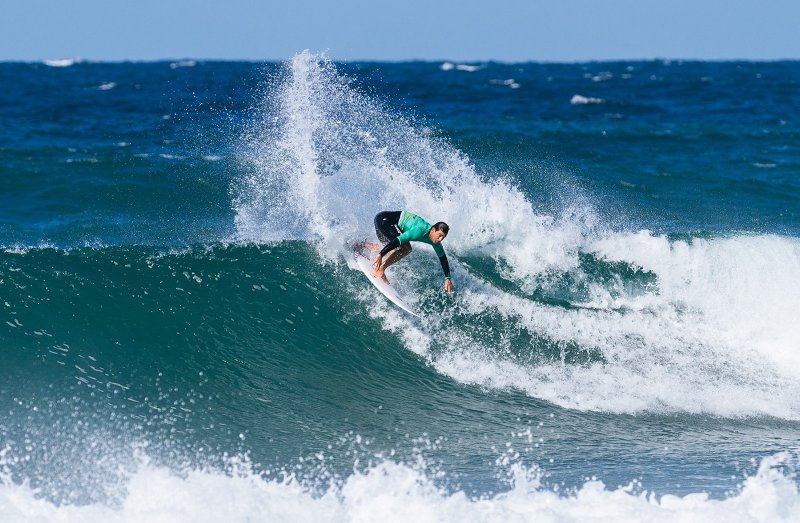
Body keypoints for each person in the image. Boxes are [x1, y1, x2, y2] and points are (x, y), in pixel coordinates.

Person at [365, 211, 453, 296]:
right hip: (385, 221)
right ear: (433, 230)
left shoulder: (436, 242)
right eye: (440, 235)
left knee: (392, 251)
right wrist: (381, 254)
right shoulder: (420, 230)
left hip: (383, 219)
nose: (441, 239)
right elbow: (398, 240)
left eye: (443, 237)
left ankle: (362, 245)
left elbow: (443, 258)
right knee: (406, 249)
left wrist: (448, 278)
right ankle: (380, 270)